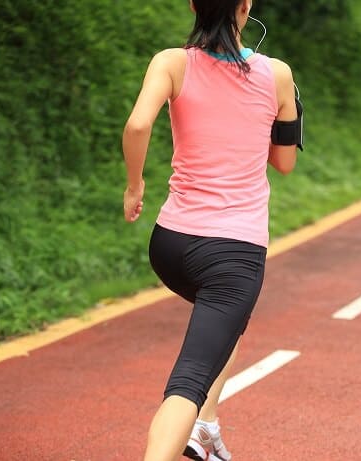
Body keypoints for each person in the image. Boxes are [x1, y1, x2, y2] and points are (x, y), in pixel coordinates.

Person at [121, 0, 300, 459]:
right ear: (246, 7)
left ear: (193, 4)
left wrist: (134, 186)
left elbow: (139, 123)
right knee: (190, 379)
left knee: (225, 325)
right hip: (234, 253)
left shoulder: (171, 61)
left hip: (170, 245)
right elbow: (284, 163)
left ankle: (207, 425)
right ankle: (193, 422)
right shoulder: (277, 74)